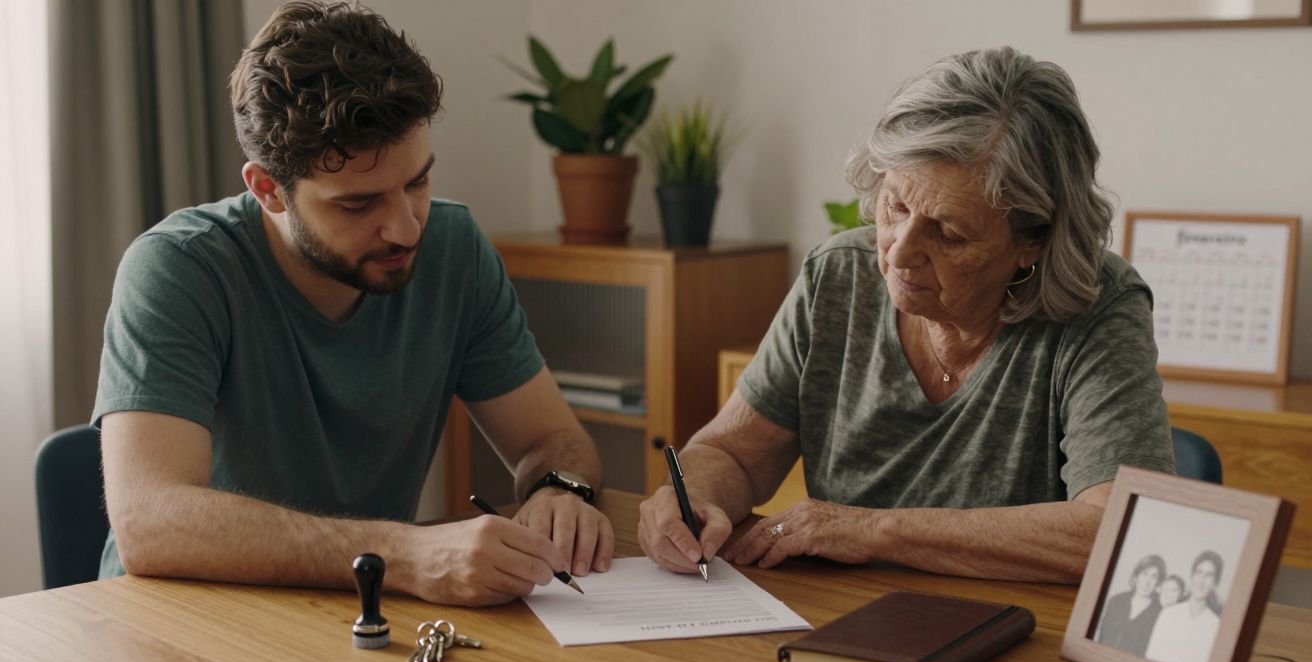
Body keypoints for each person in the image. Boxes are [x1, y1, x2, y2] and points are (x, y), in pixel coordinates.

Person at [95, 1, 612, 606]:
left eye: (417, 181)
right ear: (269, 189)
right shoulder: (180, 268)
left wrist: (559, 491)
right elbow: (150, 522)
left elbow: (550, 438)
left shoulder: (453, 249)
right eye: (358, 204)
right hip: (186, 624)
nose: (405, 228)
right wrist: (405, 555)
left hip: (360, 608)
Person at [638, 46, 1174, 583]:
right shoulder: (838, 277)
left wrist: (874, 531)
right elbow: (734, 453)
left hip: (1016, 636)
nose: (897, 252)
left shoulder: (1098, 308)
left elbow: (1122, 530)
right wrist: (692, 500)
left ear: (1032, 241)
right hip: (842, 620)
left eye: (949, 232)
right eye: (896, 207)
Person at [1144, 552, 1225, 662]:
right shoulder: (1168, 614)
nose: (1201, 581)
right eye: (1199, 573)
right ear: (1192, 577)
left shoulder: (1216, 626)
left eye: (1209, 576)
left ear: (1215, 583)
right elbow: (1151, 657)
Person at [1095, 555, 1166, 656]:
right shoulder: (1116, 601)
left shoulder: (1160, 613)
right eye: (1145, 574)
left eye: (1154, 577)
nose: (1147, 581)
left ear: (1158, 582)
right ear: (1136, 576)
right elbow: (1102, 638)